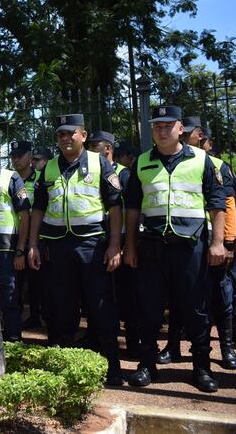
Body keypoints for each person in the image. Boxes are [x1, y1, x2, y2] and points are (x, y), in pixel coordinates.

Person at [124, 105, 226, 393]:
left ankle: (201, 369)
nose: (161, 130)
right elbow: (132, 208)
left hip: (190, 246)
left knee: (196, 308)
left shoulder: (201, 160)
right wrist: (130, 246)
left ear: (181, 129)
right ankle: (147, 365)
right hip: (153, 247)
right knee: (149, 309)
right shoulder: (142, 162)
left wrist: (218, 243)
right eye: (157, 125)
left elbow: (217, 203)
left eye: (168, 125)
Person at [28, 115, 124, 386]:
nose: (66, 138)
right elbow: (38, 209)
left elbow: (115, 206)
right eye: (61, 134)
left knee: (100, 306)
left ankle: (112, 368)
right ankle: (64, 368)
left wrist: (115, 245)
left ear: (83, 135)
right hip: (57, 246)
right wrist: (33, 244)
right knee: (61, 307)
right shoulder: (48, 169)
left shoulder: (99, 163)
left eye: (71, 133)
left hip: (92, 245)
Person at [158, 116, 236, 370]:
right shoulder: (172, 162)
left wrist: (227, 241)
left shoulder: (216, 164)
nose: (184, 138)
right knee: (180, 296)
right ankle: (173, 345)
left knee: (220, 295)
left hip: (213, 242)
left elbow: (229, 203)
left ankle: (227, 347)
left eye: (190, 134)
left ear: (201, 136)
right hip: (189, 243)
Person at [86, 130, 139, 359]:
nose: (89, 148)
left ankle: (133, 342)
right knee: (96, 294)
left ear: (108, 148)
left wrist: (125, 244)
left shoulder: (124, 174)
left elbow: (129, 209)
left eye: (94, 145)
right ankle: (95, 337)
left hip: (118, 240)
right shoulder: (87, 169)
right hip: (97, 241)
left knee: (126, 294)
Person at [0, 134, 30, 342]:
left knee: (10, 293)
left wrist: (21, 249)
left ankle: (13, 337)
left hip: (7, 247)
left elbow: (24, 215)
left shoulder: (11, 177)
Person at [10, 140, 43, 329]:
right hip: (16, 236)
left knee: (37, 281)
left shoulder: (40, 178)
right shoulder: (11, 178)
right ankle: (19, 316)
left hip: (37, 236)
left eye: (20, 156)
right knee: (17, 281)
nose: (16, 160)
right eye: (13, 156)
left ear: (30, 156)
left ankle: (37, 316)